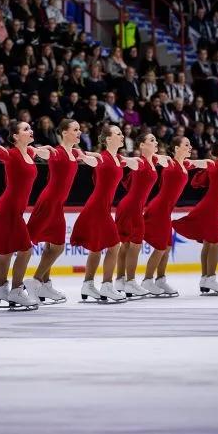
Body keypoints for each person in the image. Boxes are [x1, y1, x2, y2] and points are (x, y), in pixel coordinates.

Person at [0, 121, 51, 310]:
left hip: (16, 209)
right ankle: (15, 291)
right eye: (25, 129)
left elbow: (44, 153)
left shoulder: (30, 152)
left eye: (31, 127)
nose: (30, 130)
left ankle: (0, 289)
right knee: (26, 250)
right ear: (15, 136)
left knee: (6, 251)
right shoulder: (11, 154)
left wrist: (52, 151)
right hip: (8, 208)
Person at [24, 118, 95, 304]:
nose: (79, 132)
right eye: (75, 129)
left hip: (57, 203)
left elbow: (94, 161)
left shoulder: (75, 153)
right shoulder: (56, 152)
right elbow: (38, 152)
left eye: (80, 129)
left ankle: (45, 284)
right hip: (49, 201)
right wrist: (36, 149)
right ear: (64, 132)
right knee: (58, 246)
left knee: (50, 245)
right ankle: (36, 280)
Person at [71, 124, 133, 304]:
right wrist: (82, 155)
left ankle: (88, 285)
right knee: (114, 246)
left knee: (97, 247)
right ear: (107, 139)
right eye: (118, 134)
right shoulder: (102, 157)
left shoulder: (118, 158)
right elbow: (90, 159)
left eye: (122, 133)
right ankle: (106, 285)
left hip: (103, 207)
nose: (122, 135)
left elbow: (135, 163)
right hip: (97, 207)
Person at [172, 139, 218, 295]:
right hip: (210, 206)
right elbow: (199, 163)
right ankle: (210, 277)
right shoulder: (213, 164)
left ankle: (205, 278)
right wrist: (184, 161)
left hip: (211, 205)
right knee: (215, 242)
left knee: (209, 243)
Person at [114, 132, 166, 297]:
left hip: (133, 206)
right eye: (152, 140)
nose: (155, 141)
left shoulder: (153, 160)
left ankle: (121, 280)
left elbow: (171, 161)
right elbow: (123, 160)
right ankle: (130, 282)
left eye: (155, 139)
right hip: (131, 207)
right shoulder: (140, 162)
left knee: (128, 245)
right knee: (134, 245)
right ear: (142, 145)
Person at [141, 136, 195, 296]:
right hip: (159, 209)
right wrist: (160, 157)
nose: (190, 147)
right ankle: (147, 280)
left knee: (168, 246)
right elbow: (158, 160)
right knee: (160, 247)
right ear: (176, 148)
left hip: (166, 210)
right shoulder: (170, 165)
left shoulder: (183, 164)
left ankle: (160, 279)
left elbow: (200, 163)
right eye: (186, 144)